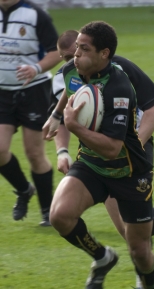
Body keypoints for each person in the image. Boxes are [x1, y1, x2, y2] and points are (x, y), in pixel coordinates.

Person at [48, 29, 154, 289]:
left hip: (129, 166)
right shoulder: (71, 71)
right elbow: (70, 92)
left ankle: (147, 280)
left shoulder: (121, 82)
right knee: (60, 215)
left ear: (103, 53)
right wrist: (56, 118)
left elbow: (146, 118)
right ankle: (103, 257)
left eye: (83, 49)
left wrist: (135, 147)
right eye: (74, 49)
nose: (74, 56)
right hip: (91, 161)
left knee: (138, 248)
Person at [0, 0, 62, 226]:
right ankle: (24, 190)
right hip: (2, 93)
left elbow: (57, 52)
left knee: (34, 153)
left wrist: (35, 68)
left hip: (34, 91)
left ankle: (47, 211)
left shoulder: (36, 15)